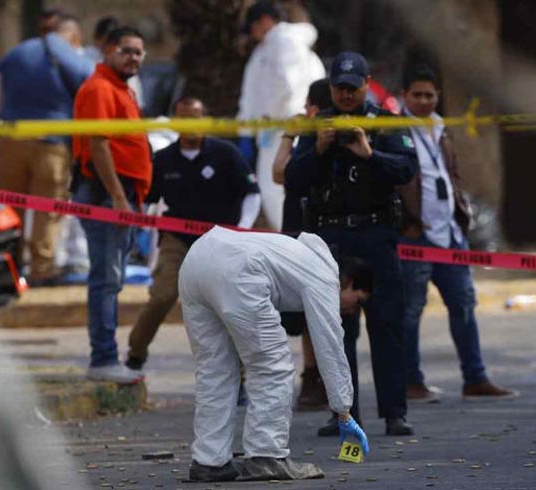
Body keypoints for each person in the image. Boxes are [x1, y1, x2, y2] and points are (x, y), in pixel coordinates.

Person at [285, 51, 416, 436]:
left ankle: (394, 413)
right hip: (332, 240)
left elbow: (406, 169)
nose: (346, 94)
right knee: (336, 329)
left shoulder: (386, 122)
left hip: (374, 236)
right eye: (339, 88)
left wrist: (369, 153)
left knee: (386, 323)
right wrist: (319, 149)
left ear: (366, 84)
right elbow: (293, 180)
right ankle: (343, 413)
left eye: (353, 87)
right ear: (330, 87)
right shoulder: (318, 125)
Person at [178, 226, 370, 482]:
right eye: (358, 301)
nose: (353, 310)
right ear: (349, 282)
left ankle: (209, 461)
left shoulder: (296, 255)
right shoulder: (324, 275)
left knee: (214, 369)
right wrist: (344, 411)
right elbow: (330, 344)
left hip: (197, 259)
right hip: (239, 268)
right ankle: (266, 456)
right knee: (272, 366)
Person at [398, 65, 515, 401]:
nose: (423, 101)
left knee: (463, 305)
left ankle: (475, 378)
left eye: (429, 95)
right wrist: (406, 220)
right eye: (417, 95)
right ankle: (411, 381)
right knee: (410, 311)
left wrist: (459, 211)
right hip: (415, 236)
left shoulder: (441, 128)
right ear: (404, 95)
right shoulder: (393, 130)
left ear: (438, 96)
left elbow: (451, 176)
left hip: (449, 234)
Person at [125, 97, 261, 372]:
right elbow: (147, 200)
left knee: (229, 304)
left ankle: (241, 374)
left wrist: (242, 229)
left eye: (196, 117)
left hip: (221, 240)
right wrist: (134, 224)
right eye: (184, 118)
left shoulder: (226, 153)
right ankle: (135, 354)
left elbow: (252, 194)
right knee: (162, 295)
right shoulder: (163, 159)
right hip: (177, 240)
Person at [71, 26, 152, 384]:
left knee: (112, 279)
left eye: (138, 52)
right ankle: (103, 359)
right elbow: (98, 144)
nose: (133, 57)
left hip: (119, 195)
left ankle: (106, 357)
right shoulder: (100, 88)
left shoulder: (121, 88)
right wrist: (119, 198)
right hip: (106, 196)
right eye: (126, 50)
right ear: (107, 50)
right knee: (106, 279)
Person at [0, 13, 93, 286]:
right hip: (52, 144)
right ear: (74, 37)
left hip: (11, 140)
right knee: (48, 210)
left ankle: (9, 265)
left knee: (11, 208)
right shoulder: (70, 55)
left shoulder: (14, 54)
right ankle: (41, 269)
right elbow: (89, 89)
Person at [237, 0, 325, 229]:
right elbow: (253, 95)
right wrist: (247, 130)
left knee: (276, 188)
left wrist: (270, 120)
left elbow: (288, 85)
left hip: (285, 128)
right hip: (280, 128)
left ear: (264, 21)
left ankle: (292, 238)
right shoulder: (266, 49)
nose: (253, 35)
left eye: (253, 28)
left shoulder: (283, 39)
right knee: (280, 189)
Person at [272, 78, 332, 410]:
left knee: (318, 309)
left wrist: (288, 136)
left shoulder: (320, 139)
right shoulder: (308, 139)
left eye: (309, 105)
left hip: (315, 230)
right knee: (305, 310)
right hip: (298, 227)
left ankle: (320, 376)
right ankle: (312, 375)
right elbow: (279, 174)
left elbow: (279, 173)